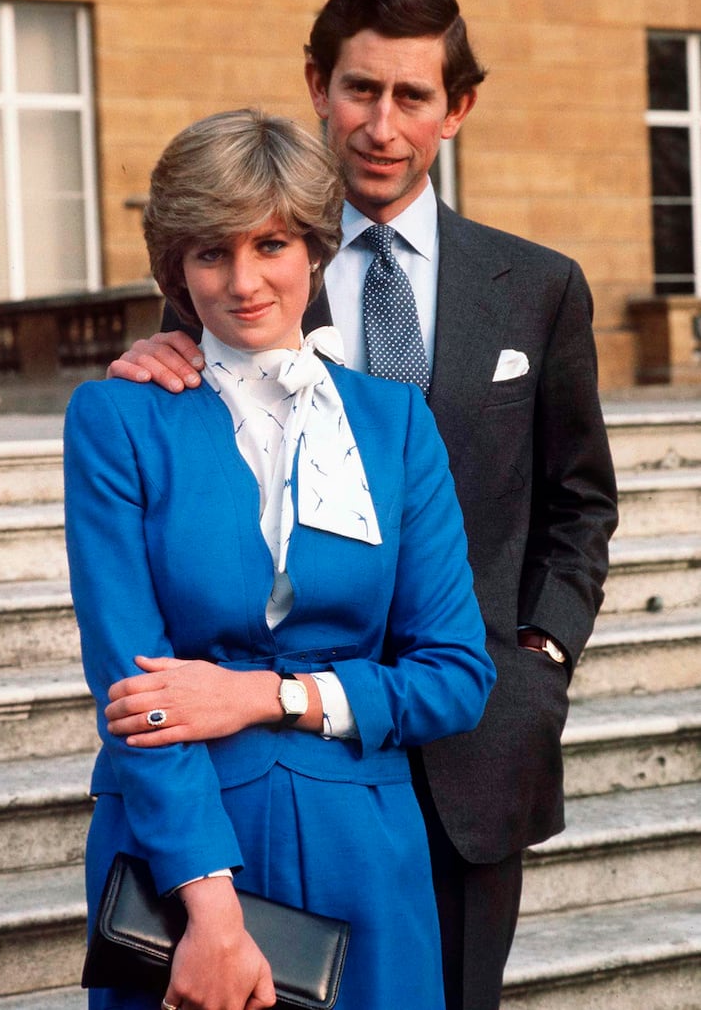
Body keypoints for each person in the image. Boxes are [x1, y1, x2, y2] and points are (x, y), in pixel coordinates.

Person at [106, 0, 619, 1010]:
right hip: (258, 763)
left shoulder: (539, 286)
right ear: (316, 85)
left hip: (467, 736)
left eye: (412, 97)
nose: (381, 124)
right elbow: (202, 381)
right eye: (358, 90)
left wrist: (537, 659)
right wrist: (148, 358)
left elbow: (580, 498)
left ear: (455, 110)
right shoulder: (259, 250)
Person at [65, 107, 495, 1010]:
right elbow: (134, 692)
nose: (244, 280)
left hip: (365, 851)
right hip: (181, 848)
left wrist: (263, 696)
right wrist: (212, 918)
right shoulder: (118, 421)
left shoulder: (394, 422)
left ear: (312, 248)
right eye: (210, 252)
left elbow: (454, 675)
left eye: (269, 245)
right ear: (176, 269)